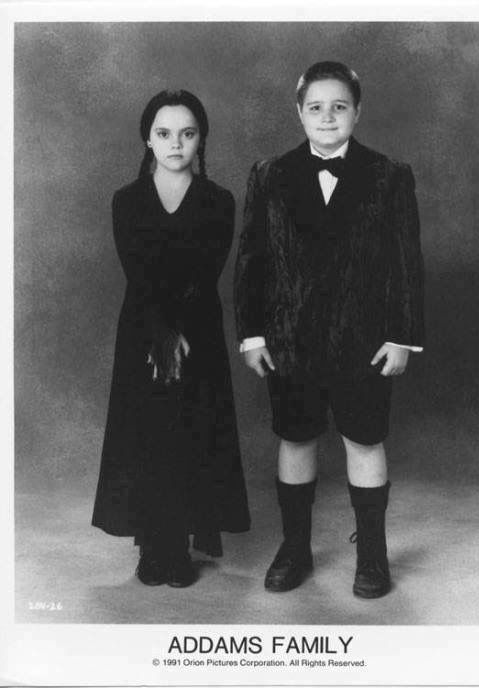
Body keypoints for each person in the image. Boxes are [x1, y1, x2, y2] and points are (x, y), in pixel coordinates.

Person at [234, 62, 424, 599]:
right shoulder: (269, 174)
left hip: (364, 342)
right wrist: (253, 335)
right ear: (299, 112)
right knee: (296, 438)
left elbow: (406, 261)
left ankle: (372, 556)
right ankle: (295, 548)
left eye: (339, 106)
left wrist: (401, 335)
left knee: (365, 440)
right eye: (315, 107)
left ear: (357, 111)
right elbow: (252, 260)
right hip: (289, 341)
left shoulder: (389, 175)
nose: (327, 116)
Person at [92, 90, 250, 588]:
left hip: (197, 330)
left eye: (187, 133)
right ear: (148, 138)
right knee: (147, 433)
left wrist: (180, 334)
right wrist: (160, 334)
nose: (175, 143)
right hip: (142, 329)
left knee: (191, 430)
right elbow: (138, 272)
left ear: (201, 138)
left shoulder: (218, 200)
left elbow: (205, 272)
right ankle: (152, 545)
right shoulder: (127, 200)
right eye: (164, 133)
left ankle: (179, 544)